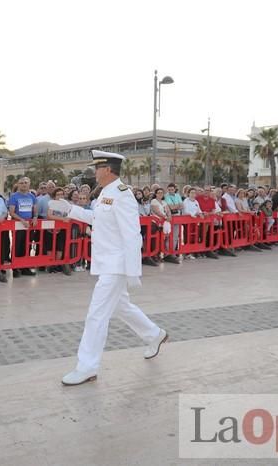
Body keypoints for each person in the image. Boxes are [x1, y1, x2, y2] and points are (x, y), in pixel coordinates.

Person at [61, 150, 167, 386]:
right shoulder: (105, 194)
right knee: (122, 307)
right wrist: (71, 210)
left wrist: (132, 271)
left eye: (97, 168)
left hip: (117, 265)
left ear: (107, 170)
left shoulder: (122, 195)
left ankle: (87, 367)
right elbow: (99, 220)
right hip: (106, 262)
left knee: (96, 314)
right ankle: (154, 334)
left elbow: (132, 234)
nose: (94, 172)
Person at [7, 177, 38, 278]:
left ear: (29, 184)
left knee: (27, 246)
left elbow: (35, 209)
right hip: (18, 225)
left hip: (29, 225)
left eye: (26, 183)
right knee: (17, 246)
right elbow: (11, 212)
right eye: (21, 183)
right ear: (18, 184)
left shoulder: (32, 196)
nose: (24, 184)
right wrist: (22, 220)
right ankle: (15, 268)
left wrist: (35, 217)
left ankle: (25, 267)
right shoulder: (14, 196)